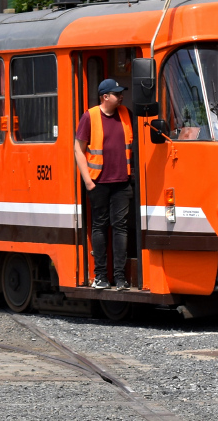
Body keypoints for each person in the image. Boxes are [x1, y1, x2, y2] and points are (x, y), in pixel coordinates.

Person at [74, 79, 134, 290]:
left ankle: (119, 277)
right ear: (105, 97)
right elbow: (78, 149)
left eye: (121, 93)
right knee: (100, 227)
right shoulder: (89, 116)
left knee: (120, 229)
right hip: (98, 182)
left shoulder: (126, 114)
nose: (121, 96)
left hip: (122, 183)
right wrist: (88, 181)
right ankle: (100, 276)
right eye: (117, 94)